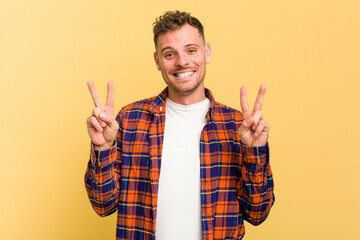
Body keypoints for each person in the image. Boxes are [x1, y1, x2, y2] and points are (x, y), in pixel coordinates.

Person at [85, 10, 274, 240]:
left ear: (207, 52)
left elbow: (257, 213)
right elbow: (103, 205)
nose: (182, 61)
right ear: (157, 61)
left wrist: (255, 151)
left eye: (191, 50)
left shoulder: (237, 126)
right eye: (169, 54)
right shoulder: (130, 119)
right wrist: (103, 148)